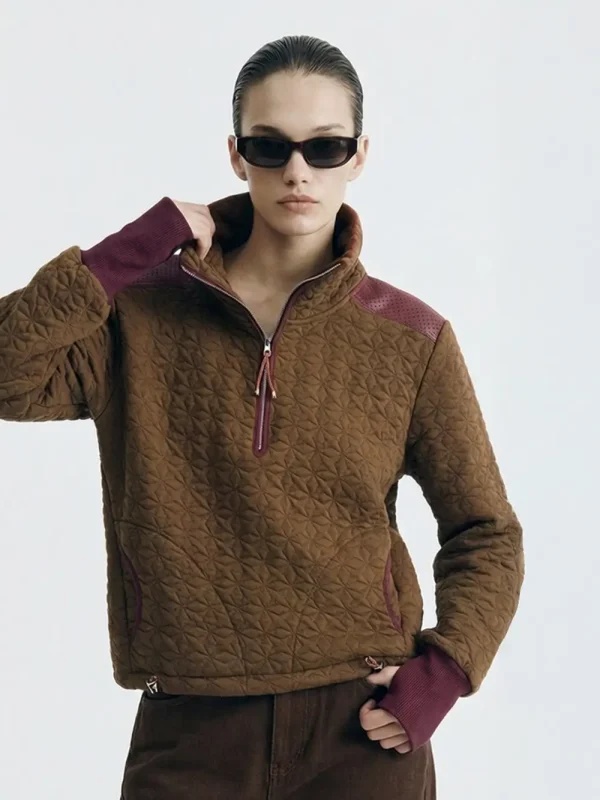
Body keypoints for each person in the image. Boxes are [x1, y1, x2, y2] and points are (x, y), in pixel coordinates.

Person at [0, 34, 524, 800]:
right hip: (190, 725)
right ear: (236, 154)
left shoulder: (412, 338)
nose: (297, 171)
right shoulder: (137, 316)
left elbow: (486, 529)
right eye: (270, 146)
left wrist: (446, 670)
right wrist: (124, 254)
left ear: (360, 155)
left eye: (325, 147)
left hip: (362, 729)